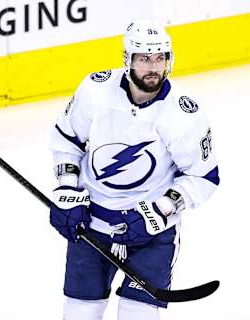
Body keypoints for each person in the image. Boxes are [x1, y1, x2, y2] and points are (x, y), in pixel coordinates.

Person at [49, 19, 219, 320]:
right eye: (144, 58)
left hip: (152, 233)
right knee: (78, 315)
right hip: (92, 223)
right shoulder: (95, 90)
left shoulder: (184, 114)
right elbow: (67, 139)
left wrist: (163, 209)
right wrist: (66, 188)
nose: (153, 67)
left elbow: (202, 176)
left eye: (160, 58)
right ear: (128, 60)